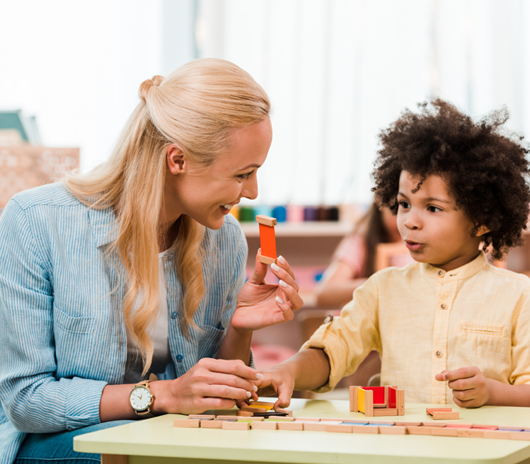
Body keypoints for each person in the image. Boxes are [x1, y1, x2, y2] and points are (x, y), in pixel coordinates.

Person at [0, 58, 303, 464]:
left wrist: (239, 325)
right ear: (177, 160)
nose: (252, 191)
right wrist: (163, 395)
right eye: (242, 174)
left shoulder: (224, 239)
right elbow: (25, 400)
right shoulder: (36, 220)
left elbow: (211, 401)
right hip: (59, 443)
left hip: (166, 444)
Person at [252, 99, 530, 410]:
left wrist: (493, 393)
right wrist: (287, 370)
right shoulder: (382, 289)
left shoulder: (519, 296)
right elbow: (333, 351)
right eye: (403, 204)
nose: (409, 220)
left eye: (433, 208)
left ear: (483, 220)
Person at [315, 203, 414, 308]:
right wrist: (372, 284)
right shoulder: (361, 243)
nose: (404, 221)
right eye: (396, 210)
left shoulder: (420, 247)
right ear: (380, 207)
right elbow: (323, 293)